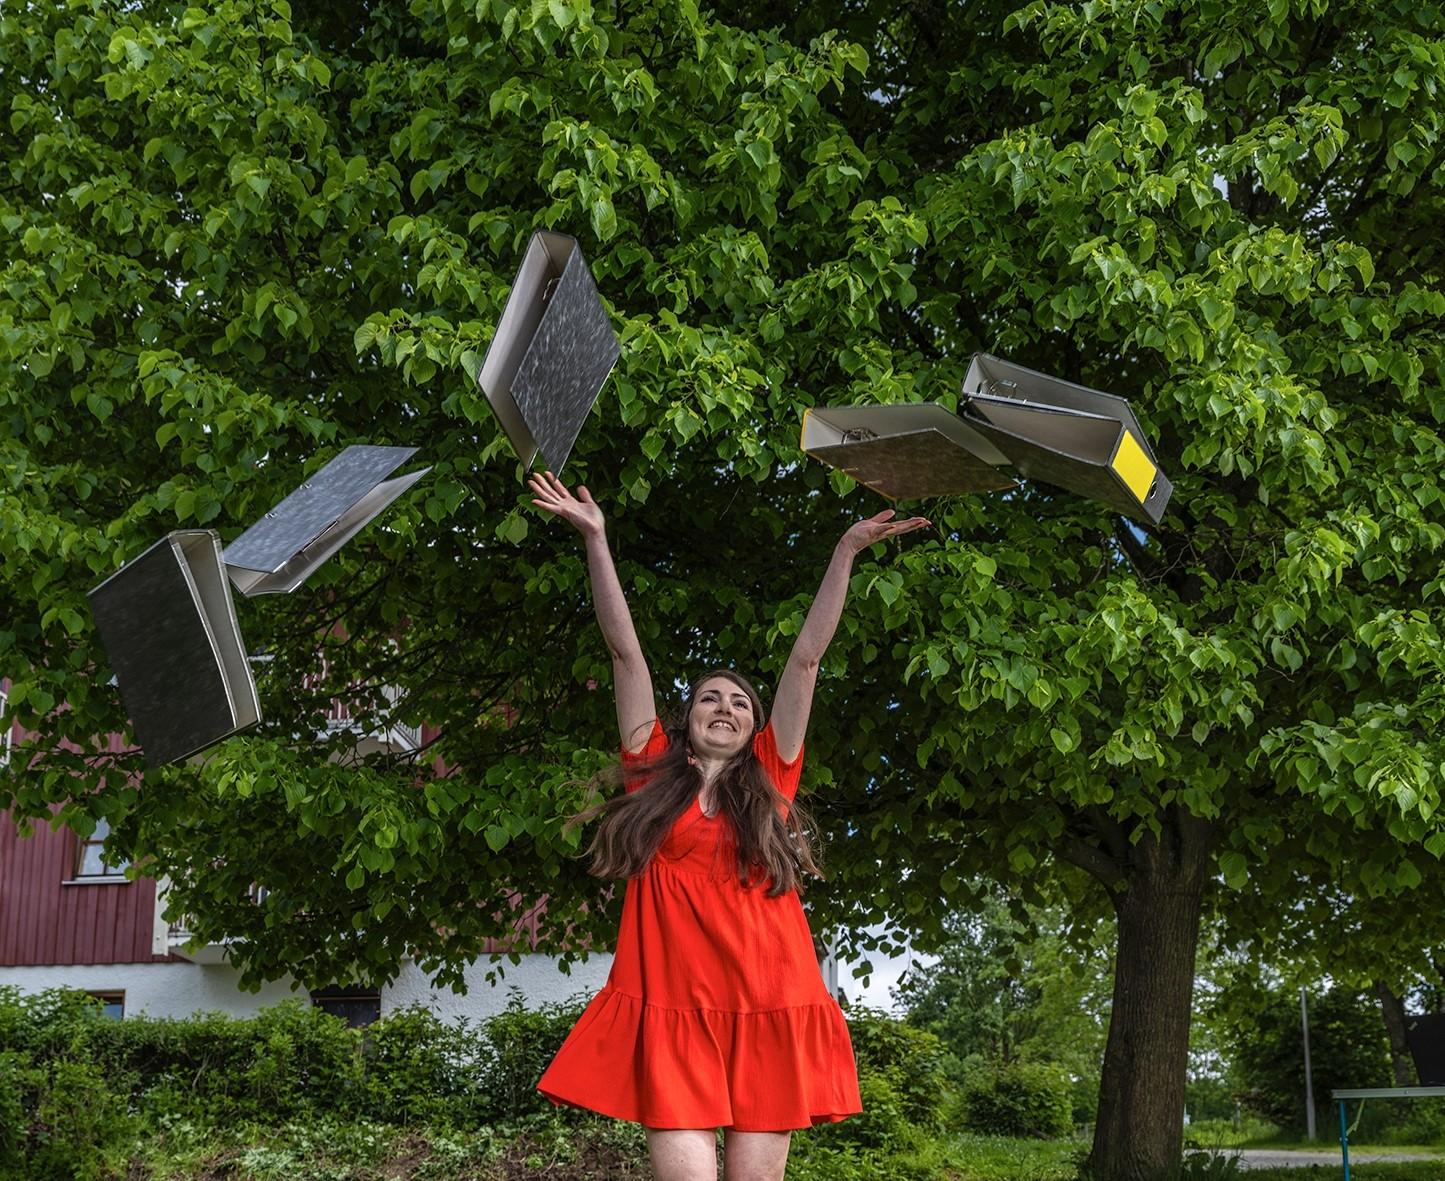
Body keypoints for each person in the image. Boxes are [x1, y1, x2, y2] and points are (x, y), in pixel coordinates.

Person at [528, 470, 928, 1181]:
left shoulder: (772, 778)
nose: (726, 705)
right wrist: (596, 540)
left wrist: (845, 550)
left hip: (771, 1005)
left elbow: (804, 660)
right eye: (710, 697)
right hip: (677, 1011)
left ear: (751, 727)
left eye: (740, 702)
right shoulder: (650, 770)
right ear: (685, 722)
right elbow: (626, 653)